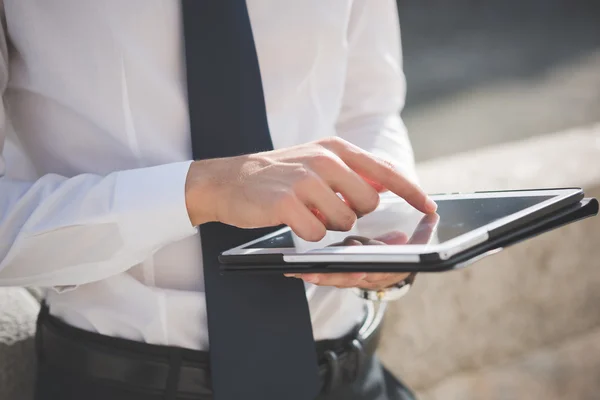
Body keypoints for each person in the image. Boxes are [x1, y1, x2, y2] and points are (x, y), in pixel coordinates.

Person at [0, 1, 436, 399]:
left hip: (351, 376)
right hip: (125, 383)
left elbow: (369, 110)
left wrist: (391, 235)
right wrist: (203, 190)